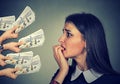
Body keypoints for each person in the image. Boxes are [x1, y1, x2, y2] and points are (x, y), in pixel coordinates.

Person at [50, 13, 120, 84]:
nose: (60, 39)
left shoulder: (114, 81)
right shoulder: (61, 73)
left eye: (69, 34)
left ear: (88, 42)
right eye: (63, 33)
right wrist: (63, 70)